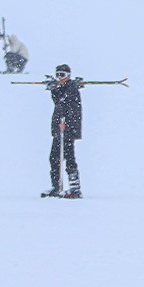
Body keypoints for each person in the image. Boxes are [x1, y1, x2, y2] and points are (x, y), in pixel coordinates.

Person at [43, 64, 84, 198]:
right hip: (59, 129)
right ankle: (56, 186)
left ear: (69, 75)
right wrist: (54, 89)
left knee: (68, 156)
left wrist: (67, 124)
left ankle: (75, 188)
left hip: (67, 129)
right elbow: (58, 101)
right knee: (54, 157)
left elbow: (66, 103)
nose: (60, 78)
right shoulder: (63, 88)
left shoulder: (72, 88)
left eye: (63, 75)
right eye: (58, 75)